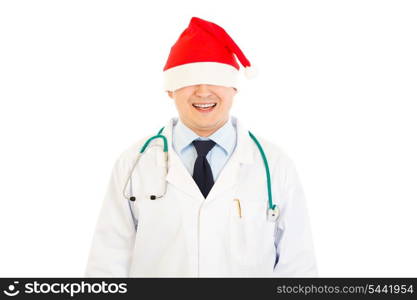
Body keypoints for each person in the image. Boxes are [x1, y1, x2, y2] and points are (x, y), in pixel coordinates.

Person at [85, 16, 318, 277]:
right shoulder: (133, 164)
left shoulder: (275, 165)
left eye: (215, 78)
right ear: (170, 90)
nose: (203, 91)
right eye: (190, 79)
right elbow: (107, 264)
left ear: (234, 88)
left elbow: (298, 267)